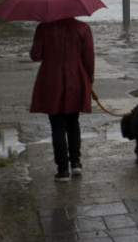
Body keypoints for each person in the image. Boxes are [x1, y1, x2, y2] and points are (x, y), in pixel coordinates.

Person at [29, 17, 95, 182]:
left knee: (57, 125)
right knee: (73, 123)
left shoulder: (44, 27)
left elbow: (36, 55)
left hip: (52, 80)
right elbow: (89, 58)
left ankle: (63, 170)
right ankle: (76, 163)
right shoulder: (83, 28)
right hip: (75, 78)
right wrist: (89, 80)